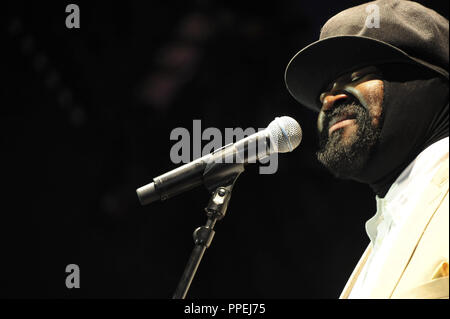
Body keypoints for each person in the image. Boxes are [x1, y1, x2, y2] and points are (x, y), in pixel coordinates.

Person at [285, 0, 449, 298]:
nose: (328, 100)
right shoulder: (383, 234)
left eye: (357, 76)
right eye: (326, 89)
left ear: (430, 82)